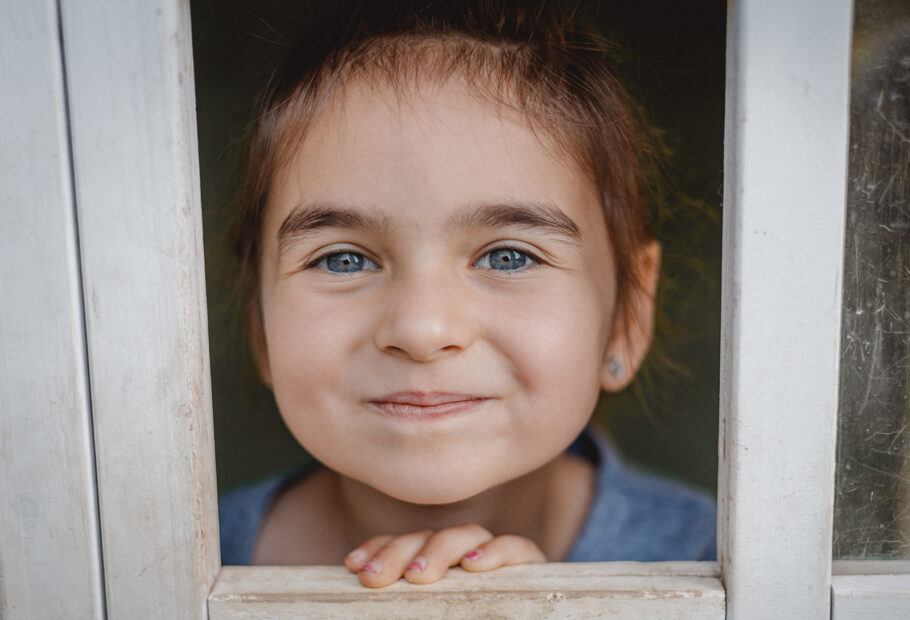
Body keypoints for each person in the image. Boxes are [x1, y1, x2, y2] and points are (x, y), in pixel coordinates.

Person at [218, 0, 716, 587]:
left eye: (509, 257)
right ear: (260, 319)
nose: (422, 330)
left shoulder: (706, 564)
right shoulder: (181, 573)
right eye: (342, 259)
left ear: (627, 317)